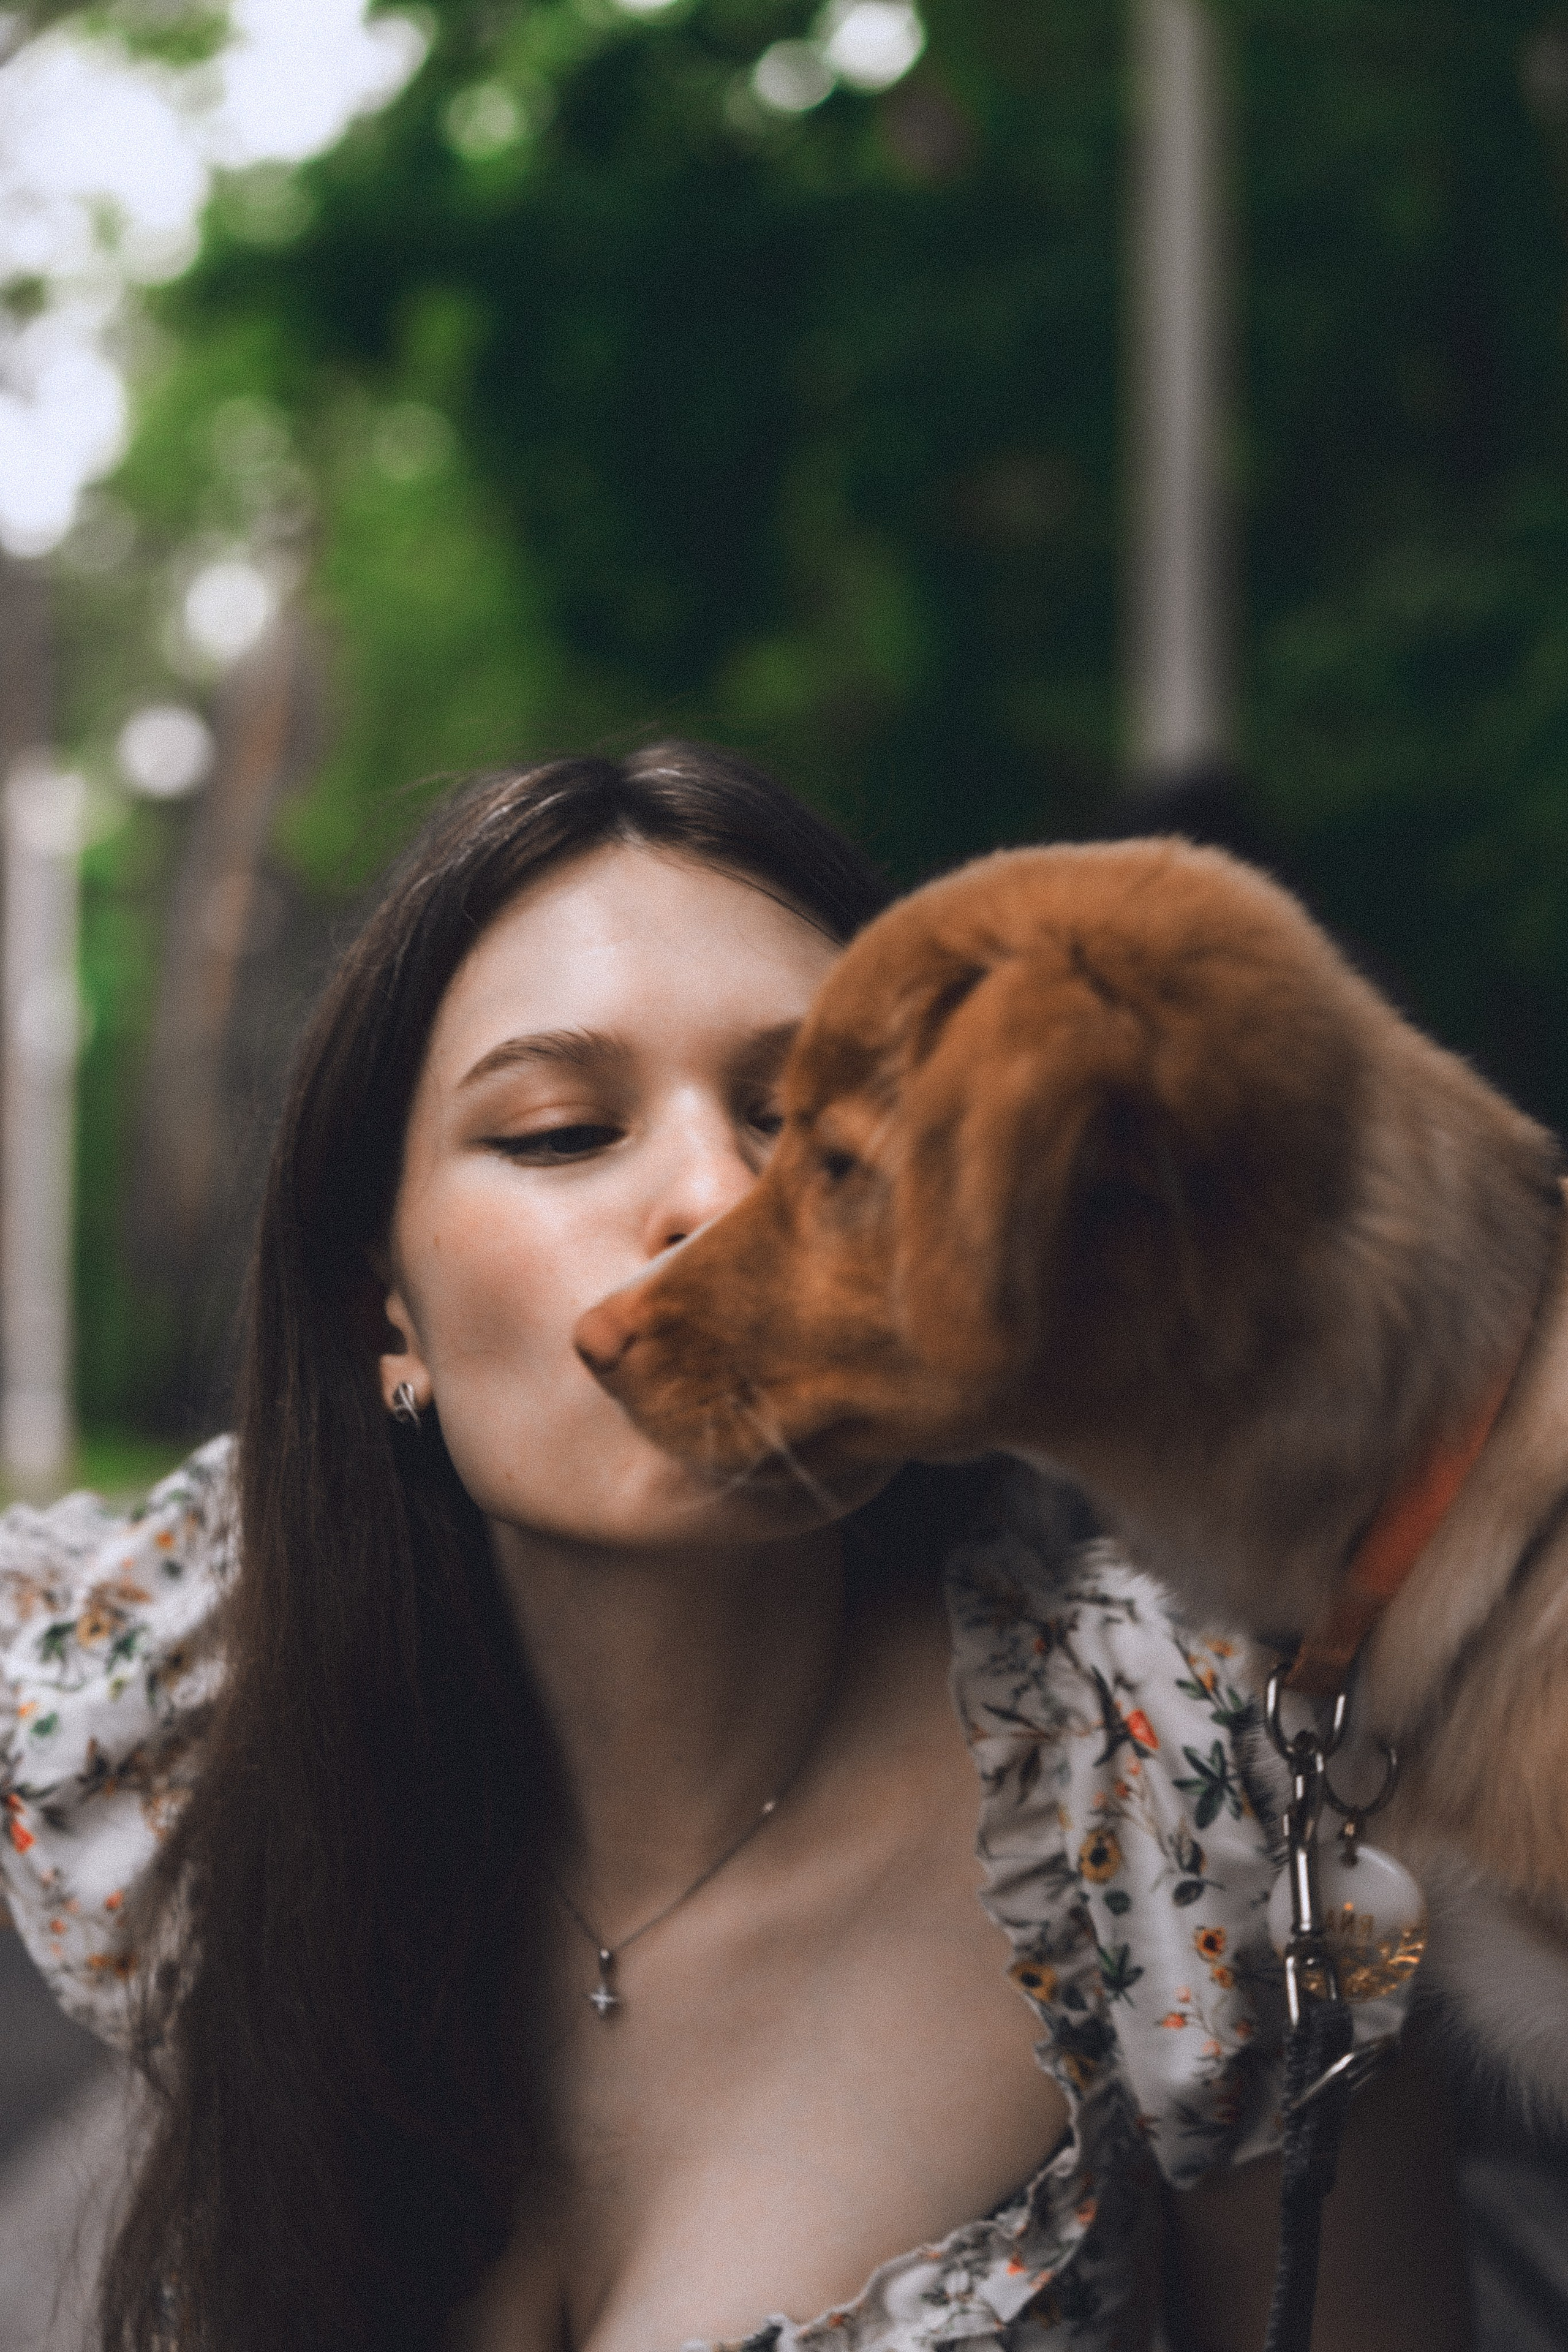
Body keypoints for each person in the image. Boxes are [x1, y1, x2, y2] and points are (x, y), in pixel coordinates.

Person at [0, 745, 1471, 2352]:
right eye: (564, 1131)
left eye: (808, 1126)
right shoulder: (189, 1685)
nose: (716, 1195)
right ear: (386, 1315)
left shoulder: (1179, 1801)